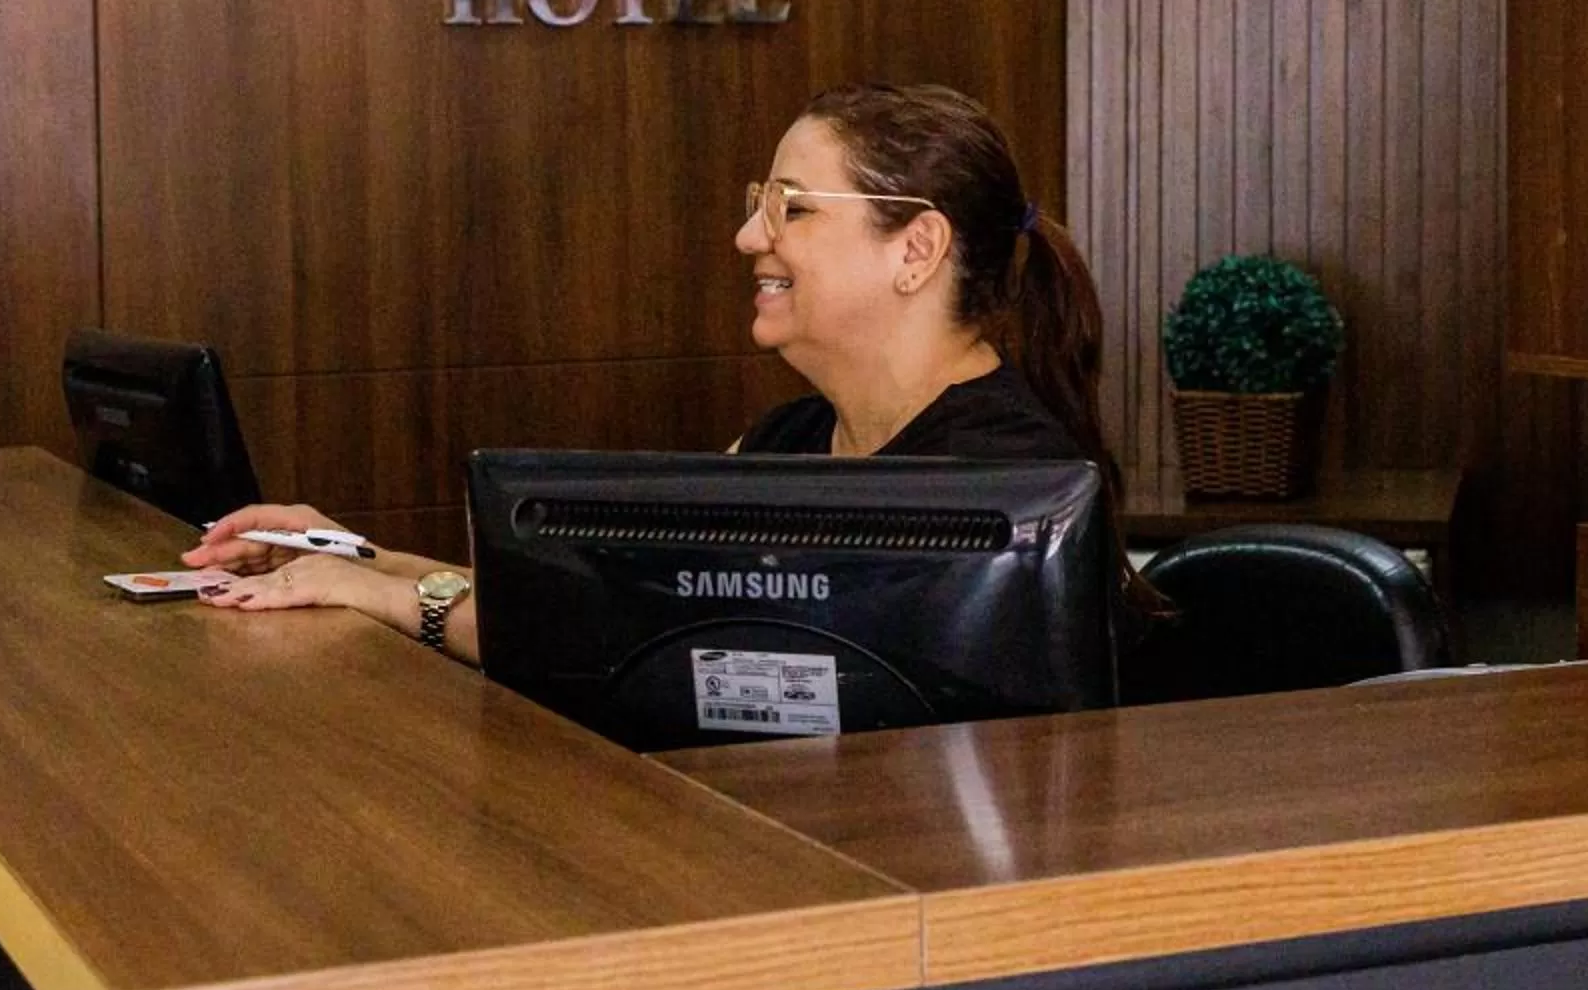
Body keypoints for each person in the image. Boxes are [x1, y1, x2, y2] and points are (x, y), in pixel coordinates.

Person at [189, 81, 1123, 661]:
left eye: (791, 208)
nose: (749, 236)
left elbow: (634, 638)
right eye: (760, 203)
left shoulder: (996, 487)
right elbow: (610, 596)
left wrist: (385, 597)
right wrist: (349, 556)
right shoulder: (785, 442)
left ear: (915, 249)